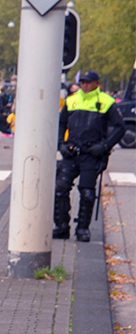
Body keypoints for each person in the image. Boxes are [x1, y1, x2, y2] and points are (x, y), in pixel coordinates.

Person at [53, 69, 125, 242]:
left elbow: (120, 127)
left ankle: (83, 229)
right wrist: (61, 145)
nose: (84, 85)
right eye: (82, 82)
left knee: (87, 192)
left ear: (96, 84)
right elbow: (60, 124)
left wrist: (105, 146)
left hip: (91, 155)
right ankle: (62, 226)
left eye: (88, 82)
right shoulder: (72, 101)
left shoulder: (106, 102)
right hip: (71, 152)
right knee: (60, 189)